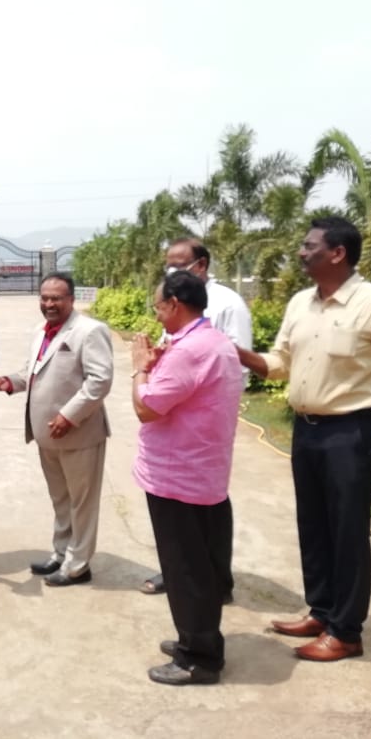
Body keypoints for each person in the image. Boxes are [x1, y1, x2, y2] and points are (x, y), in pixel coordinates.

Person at [236, 216, 371, 662]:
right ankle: (323, 611)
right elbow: (280, 362)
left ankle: (347, 632)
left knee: (348, 531)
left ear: (337, 253)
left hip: (351, 432)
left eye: (309, 245)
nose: (300, 252)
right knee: (314, 527)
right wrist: (238, 354)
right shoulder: (300, 304)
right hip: (306, 432)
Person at [131, 270, 243, 685]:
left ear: (176, 304)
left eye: (159, 307)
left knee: (186, 570)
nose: (157, 316)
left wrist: (139, 370)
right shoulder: (213, 342)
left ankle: (198, 657)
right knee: (201, 565)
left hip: (178, 478)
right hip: (204, 473)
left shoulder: (189, 351)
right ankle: (197, 637)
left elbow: (147, 407)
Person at [141, 238, 252, 598]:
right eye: (168, 266)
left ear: (201, 265)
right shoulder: (179, 312)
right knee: (190, 515)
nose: (172, 271)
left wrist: (142, 373)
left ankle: (212, 581)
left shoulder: (227, 305)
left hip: (204, 418)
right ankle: (185, 574)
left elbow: (237, 363)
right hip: (181, 408)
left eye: (180, 264)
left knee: (204, 508)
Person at [0, 273, 114, 587]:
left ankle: (78, 566)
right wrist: (9, 382)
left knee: (81, 502)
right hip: (47, 435)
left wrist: (69, 416)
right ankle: (61, 554)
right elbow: (32, 371)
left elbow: (99, 381)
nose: (49, 304)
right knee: (60, 499)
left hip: (79, 434)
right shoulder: (40, 331)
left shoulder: (89, 330)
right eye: (44, 298)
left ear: (72, 299)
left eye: (56, 298)